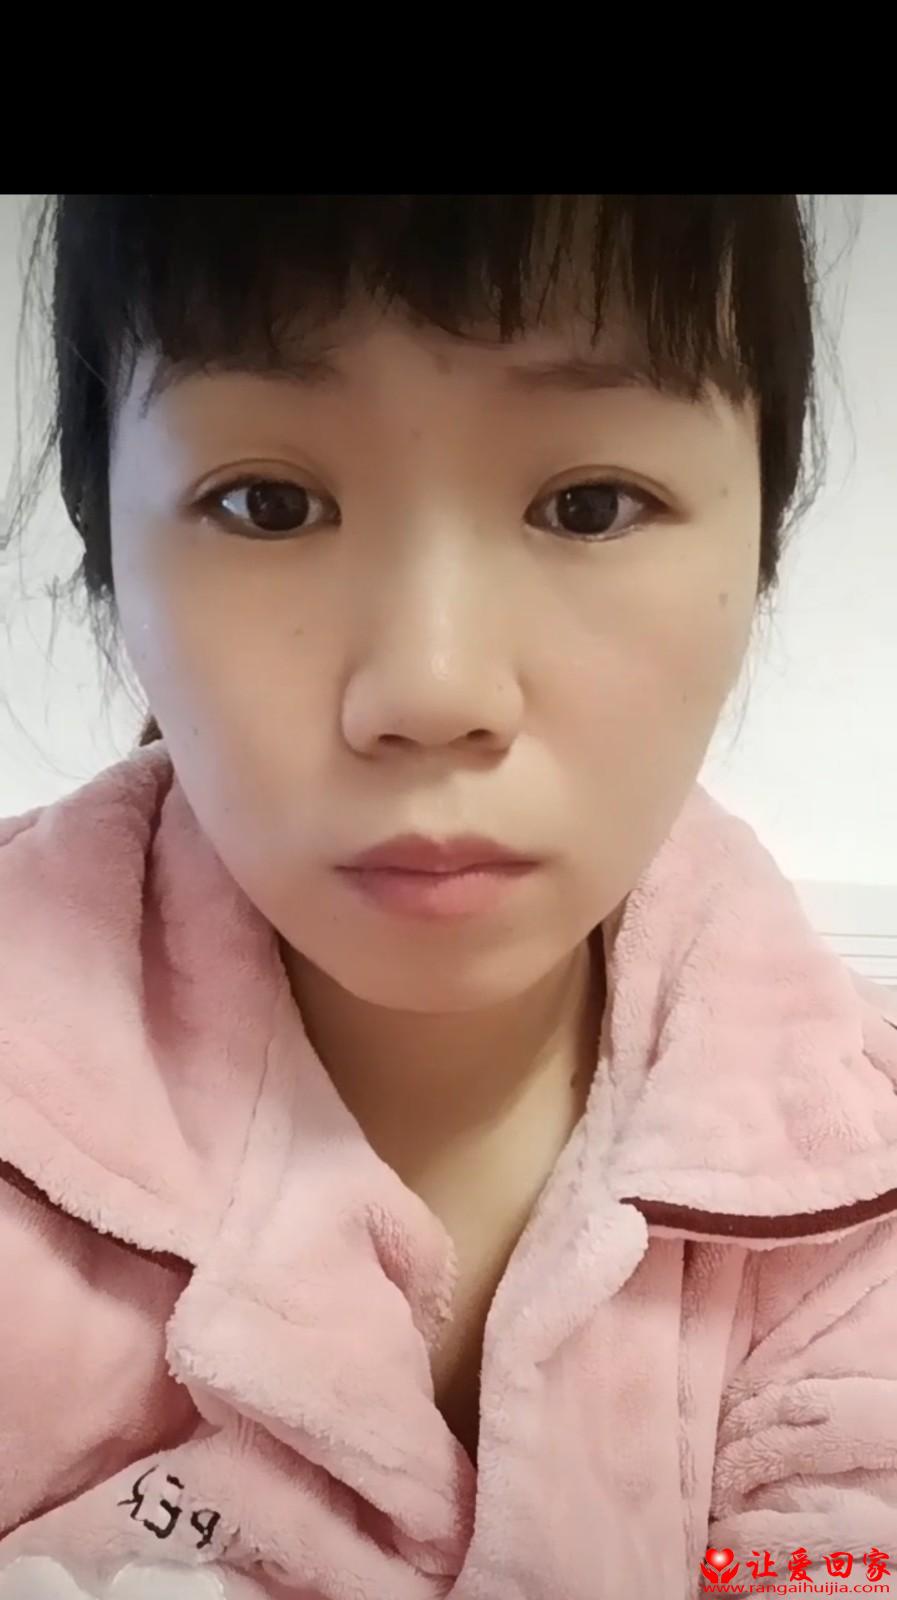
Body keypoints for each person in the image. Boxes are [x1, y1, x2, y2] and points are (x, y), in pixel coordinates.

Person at [1, 195, 896, 1599]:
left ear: (760, 543)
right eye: (267, 503)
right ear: (105, 546)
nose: (431, 688)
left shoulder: (865, 1206)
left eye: (588, 504)